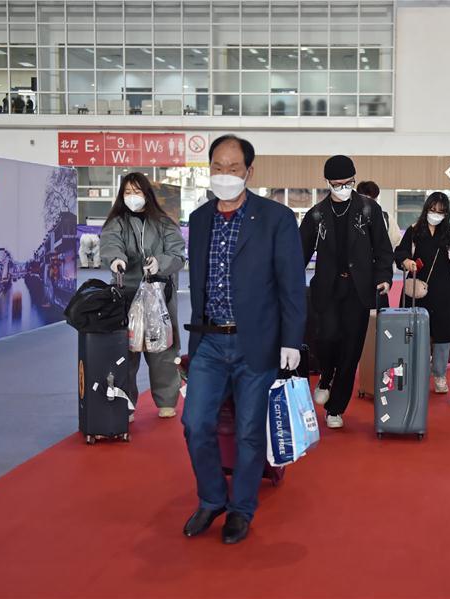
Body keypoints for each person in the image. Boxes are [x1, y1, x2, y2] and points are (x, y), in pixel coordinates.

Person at [181, 134, 305, 545]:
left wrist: (291, 340)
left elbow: (291, 285)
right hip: (210, 343)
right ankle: (213, 497)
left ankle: (241, 508)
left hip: (257, 343)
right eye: (218, 166)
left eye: (234, 168)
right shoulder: (199, 220)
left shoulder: (276, 219)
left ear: (249, 172)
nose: (225, 175)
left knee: (251, 432)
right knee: (195, 424)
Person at [300, 156, 393, 430]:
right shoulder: (316, 214)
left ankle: (335, 408)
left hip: (359, 290)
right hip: (328, 288)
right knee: (327, 338)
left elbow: (383, 250)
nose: (342, 187)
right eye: (337, 184)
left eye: (347, 183)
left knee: (351, 350)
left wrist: (384, 278)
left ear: (354, 180)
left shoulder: (369, 210)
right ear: (327, 183)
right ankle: (326, 376)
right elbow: (298, 253)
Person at [100, 172, 186, 421]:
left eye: (137, 192)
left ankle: (167, 400)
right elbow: (110, 243)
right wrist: (116, 259)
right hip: (126, 297)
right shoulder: (117, 222)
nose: (132, 197)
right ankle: (125, 401)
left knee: (162, 349)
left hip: (159, 296)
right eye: (127, 192)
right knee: (125, 351)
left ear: (147, 194)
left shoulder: (164, 223)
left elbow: (178, 254)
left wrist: (160, 263)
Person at [394, 192, 450, 394]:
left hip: (443, 289)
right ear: (426, 209)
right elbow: (401, 252)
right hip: (417, 289)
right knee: (413, 333)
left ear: (446, 213)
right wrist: (406, 261)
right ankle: (415, 372)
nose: (436, 214)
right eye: (432, 210)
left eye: (440, 211)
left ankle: (439, 375)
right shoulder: (414, 230)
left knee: (444, 334)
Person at [357, 180, 401, 309]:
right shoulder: (349, 218)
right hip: (355, 275)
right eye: (365, 199)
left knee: (378, 317)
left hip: (377, 275)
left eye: (372, 199)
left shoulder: (386, 219)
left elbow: (396, 243)